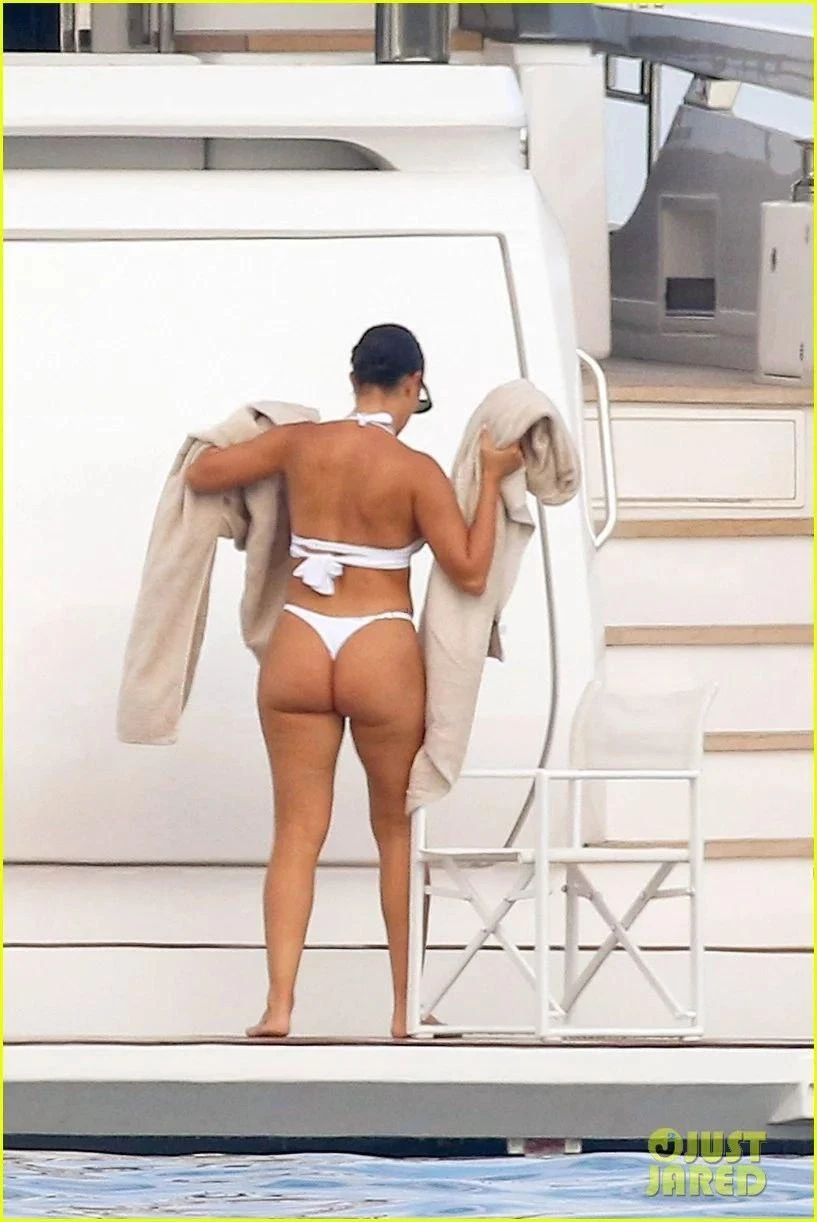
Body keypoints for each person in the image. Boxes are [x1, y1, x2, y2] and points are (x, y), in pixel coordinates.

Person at [185, 323, 523, 1039]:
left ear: (353, 380)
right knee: (396, 831)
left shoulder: (299, 444)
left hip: (300, 641)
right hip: (378, 646)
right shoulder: (416, 471)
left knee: (295, 832)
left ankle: (279, 1006)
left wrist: (264, 431)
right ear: (413, 384)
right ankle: (404, 1010)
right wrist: (491, 479)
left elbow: (202, 475)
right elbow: (469, 570)